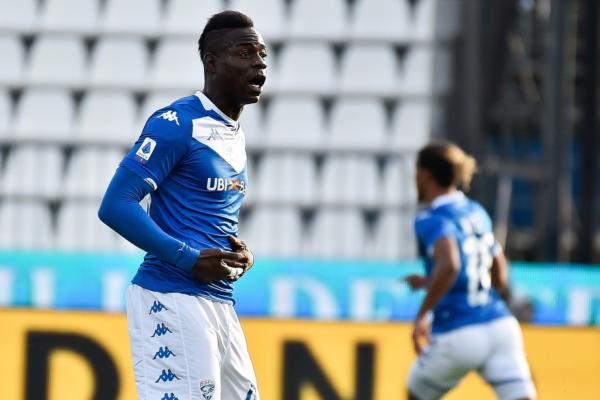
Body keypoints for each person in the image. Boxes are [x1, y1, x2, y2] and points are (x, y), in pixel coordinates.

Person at [98, 10, 267, 400]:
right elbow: (116, 204)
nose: (259, 63)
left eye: (262, 54)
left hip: (218, 301)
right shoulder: (176, 123)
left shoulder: (232, 132)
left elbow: (204, 217)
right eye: (245, 53)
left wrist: (240, 255)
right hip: (171, 297)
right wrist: (188, 258)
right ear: (212, 62)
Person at [403, 141, 536, 400]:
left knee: (416, 394)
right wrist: (431, 281)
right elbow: (499, 275)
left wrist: (421, 316)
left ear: (426, 175)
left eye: (417, 172)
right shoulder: (477, 212)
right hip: (500, 327)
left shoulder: (430, 219)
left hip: (457, 331)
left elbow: (450, 265)